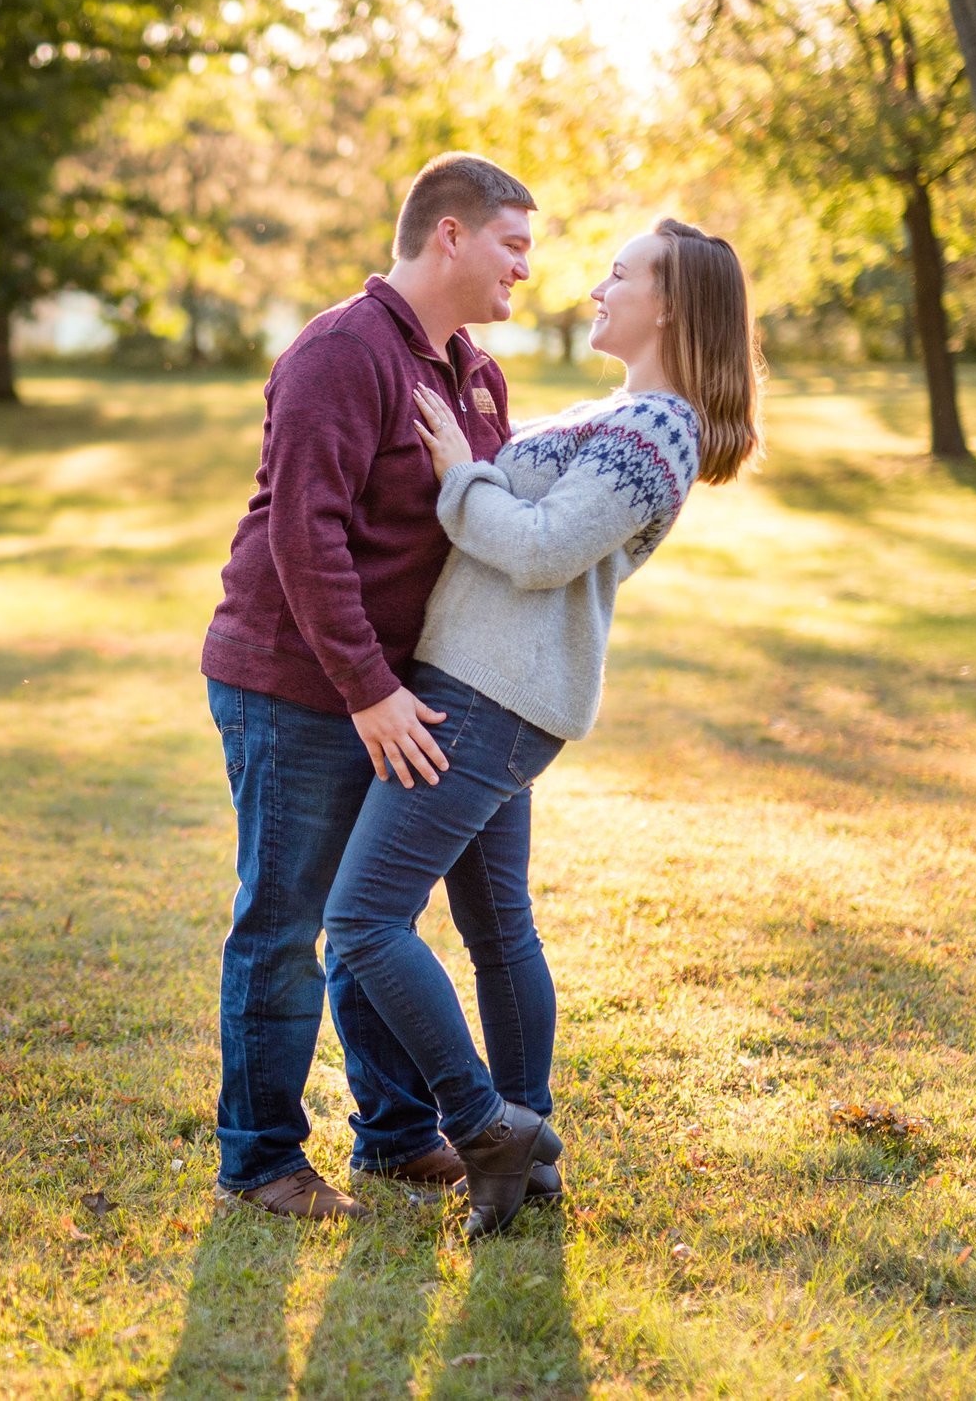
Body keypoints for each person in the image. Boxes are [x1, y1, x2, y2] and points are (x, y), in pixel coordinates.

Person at [321, 218, 763, 1238]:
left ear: (670, 306)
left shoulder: (658, 434)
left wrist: (456, 474)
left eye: (621, 273)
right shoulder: (619, 414)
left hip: (493, 696)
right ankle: (531, 1155)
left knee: (363, 919)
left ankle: (484, 1125)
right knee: (494, 926)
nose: (596, 286)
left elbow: (538, 550)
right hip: (482, 683)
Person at [201, 153, 535, 1219]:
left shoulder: (471, 372)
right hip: (296, 683)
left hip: (397, 686)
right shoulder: (340, 353)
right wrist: (365, 690)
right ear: (449, 234)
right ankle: (258, 1160)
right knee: (284, 919)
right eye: (512, 244)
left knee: (372, 915)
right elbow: (306, 538)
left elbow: (485, 512)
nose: (525, 270)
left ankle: (394, 1135)